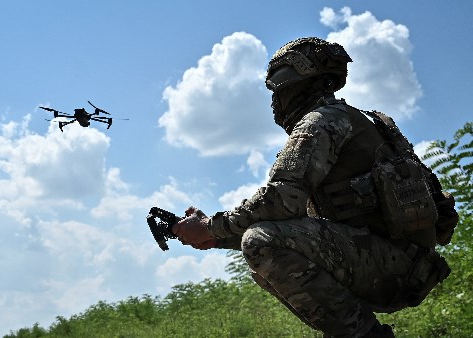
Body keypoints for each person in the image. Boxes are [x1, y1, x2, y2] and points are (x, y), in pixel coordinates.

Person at [172, 37, 453, 338]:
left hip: (391, 266)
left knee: (259, 242)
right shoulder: (355, 120)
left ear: (299, 79)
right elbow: (299, 221)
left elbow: (280, 202)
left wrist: (210, 226)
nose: (274, 98)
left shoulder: (320, 122)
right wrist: (218, 238)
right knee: (256, 242)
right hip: (404, 267)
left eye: (277, 83)